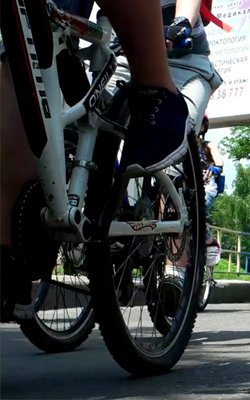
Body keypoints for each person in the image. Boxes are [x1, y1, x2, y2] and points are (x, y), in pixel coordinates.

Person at [1, 0, 217, 321]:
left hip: (184, 64)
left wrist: (182, 21)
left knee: (169, 166)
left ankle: (174, 268)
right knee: (87, 119)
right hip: (121, 56)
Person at [197, 114, 225, 267]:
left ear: (202, 127)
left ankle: (210, 242)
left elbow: (219, 163)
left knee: (194, 211)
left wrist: (215, 168)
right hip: (183, 187)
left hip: (206, 187)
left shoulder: (208, 145)